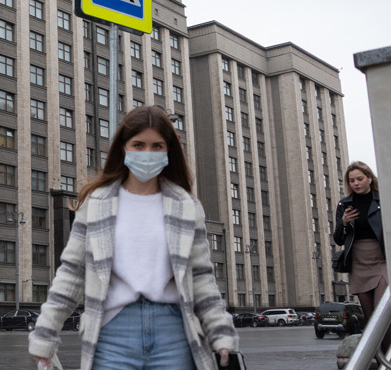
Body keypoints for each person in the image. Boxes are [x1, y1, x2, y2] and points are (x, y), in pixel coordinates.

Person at [29, 106, 239, 370]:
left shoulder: (186, 205)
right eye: (138, 145)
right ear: (123, 148)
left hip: (174, 335)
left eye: (157, 146)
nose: (147, 153)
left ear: (168, 151)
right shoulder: (96, 203)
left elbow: (201, 278)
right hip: (112, 336)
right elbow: (72, 273)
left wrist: (221, 333)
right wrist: (45, 335)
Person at [333, 161, 388, 333]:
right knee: (371, 318)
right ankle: (378, 350)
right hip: (358, 263)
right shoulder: (344, 205)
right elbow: (338, 239)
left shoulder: (383, 199)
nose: (356, 183)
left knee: (381, 312)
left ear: (369, 178)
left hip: (382, 260)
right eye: (352, 181)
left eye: (360, 179)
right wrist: (344, 223)